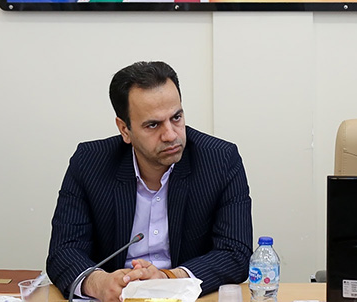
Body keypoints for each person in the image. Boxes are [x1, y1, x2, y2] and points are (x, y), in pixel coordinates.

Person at [46, 61, 253, 302]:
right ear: (125, 130)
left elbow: (235, 253)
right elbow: (64, 251)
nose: (171, 135)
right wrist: (99, 283)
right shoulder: (89, 163)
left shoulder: (220, 160)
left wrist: (169, 278)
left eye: (176, 117)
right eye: (153, 125)